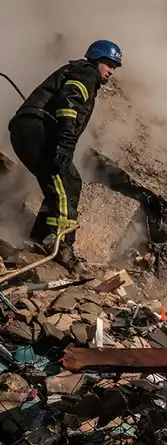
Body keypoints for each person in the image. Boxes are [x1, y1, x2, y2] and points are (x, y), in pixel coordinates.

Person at [7, 40, 123, 272]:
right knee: (62, 183)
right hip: (36, 129)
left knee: (70, 180)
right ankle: (61, 246)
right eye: (109, 64)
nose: (111, 71)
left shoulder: (79, 72)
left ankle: (42, 237)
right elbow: (69, 101)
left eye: (114, 67)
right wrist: (65, 144)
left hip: (29, 129)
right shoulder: (86, 72)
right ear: (97, 60)